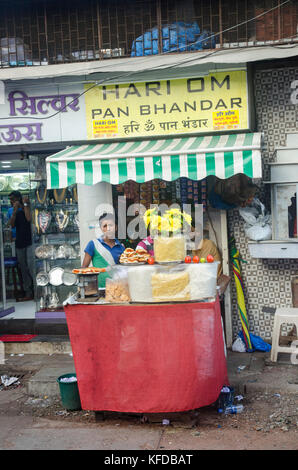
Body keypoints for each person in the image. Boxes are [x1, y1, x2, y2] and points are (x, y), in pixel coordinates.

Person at [82, 212, 125, 288]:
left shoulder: (121, 247)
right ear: (101, 228)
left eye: (111, 225)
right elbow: (83, 269)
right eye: (105, 226)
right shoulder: (93, 244)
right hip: (99, 289)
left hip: (117, 289)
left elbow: (123, 271)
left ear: (116, 227)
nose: (108, 229)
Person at [8, 190, 34, 301]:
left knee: (31, 267)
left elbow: (28, 218)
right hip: (19, 243)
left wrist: (25, 205)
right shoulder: (13, 211)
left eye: (13, 199)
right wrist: (14, 211)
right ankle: (28, 292)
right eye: (10, 200)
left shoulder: (26, 207)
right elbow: (12, 225)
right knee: (23, 269)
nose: (11, 202)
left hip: (29, 242)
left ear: (18, 199)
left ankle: (37, 291)